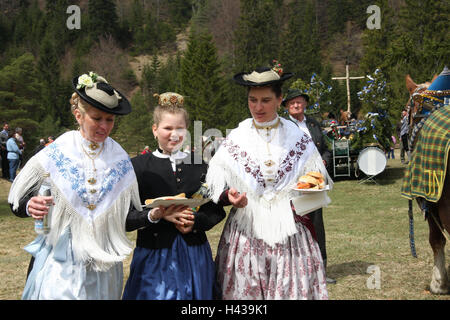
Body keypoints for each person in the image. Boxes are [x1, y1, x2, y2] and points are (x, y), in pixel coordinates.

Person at [8, 72, 141, 300]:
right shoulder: (57, 151)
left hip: (102, 264)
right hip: (61, 261)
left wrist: (153, 215)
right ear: (79, 115)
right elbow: (17, 202)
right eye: (96, 118)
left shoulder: (119, 158)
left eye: (109, 120)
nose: (104, 126)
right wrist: (31, 205)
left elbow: (126, 217)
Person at [206, 66, 329, 300]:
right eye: (252, 100)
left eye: (265, 100)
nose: (258, 107)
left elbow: (316, 180)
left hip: (290, 234)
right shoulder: (238, 137)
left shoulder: (297, 136)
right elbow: (215, 184)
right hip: (246, 233)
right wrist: (229, 197)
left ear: (279, 99)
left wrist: (301, 194)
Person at [123, 92, 226, 300]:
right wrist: (156, 214)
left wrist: (195, 221)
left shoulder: (200, 165)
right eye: (167, 128)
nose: (174, 134)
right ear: (154, 130)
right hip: (154, 257)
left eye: (179, 128)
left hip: (194, 256)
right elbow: (126, 218)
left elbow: (215, 210)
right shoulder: (137, 168)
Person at [282, 88, 336, 285]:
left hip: (314, 182)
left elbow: (326, 149)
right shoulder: (282, 125)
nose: (297, 105)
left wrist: (325, 161)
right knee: (294, 225)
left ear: (305, 104)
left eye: (300, 102)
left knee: (317, 225)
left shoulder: (313, 123)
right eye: (292, 103)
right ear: (287, 106)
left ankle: (321, 270)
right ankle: (295, 270)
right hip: (291, 184)